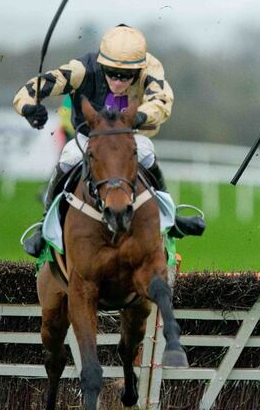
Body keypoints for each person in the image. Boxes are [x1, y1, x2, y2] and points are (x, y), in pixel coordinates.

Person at [13, 24, 204, 257]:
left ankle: (171, 219)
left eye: (126, 76)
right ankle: (44, 227)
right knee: (69, 157)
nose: (118, 81)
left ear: (139, 69)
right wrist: (29, 108)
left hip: (128, 138)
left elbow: (162, 102)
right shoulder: (81, 69)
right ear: (102, 64)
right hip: (88, 138)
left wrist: (139, 116)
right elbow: (32, 88)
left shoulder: (150, 69)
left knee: (146, 152)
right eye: (112, 73)